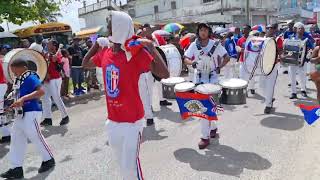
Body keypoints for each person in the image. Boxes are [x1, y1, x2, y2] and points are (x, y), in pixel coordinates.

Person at [82, 11, 169, 179]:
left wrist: (151, 48)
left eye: (109, 27)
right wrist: (95, 46)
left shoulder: (135, 53)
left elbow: (164, 74)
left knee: (130, 167)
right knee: (122, 166)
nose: (107, 30)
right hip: (112, 121)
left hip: (132, 123)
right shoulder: (106, 52)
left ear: (119, 28)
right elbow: (85, 64)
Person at [0, 59, 55, 179]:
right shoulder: (19, 80)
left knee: (35, 136)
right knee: (16, 140)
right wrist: (12, 98)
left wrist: (23, 98)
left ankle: (49, 159)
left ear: (23, 67)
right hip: (20, 114)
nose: (14, 73)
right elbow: (18, 93)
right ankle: (16, 168)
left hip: (31, 111)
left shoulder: (31, 77)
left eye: (15, 70)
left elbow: (41, 91)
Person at [184, 23, 230, 149]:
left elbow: (227, 57)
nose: (203, 32)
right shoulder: (194, 45)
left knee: (208, 107)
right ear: (198, 32)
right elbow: (186, 58)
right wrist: (191, 63)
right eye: (201, 30)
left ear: (209, 32)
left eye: (205, 30)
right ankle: (209, 132)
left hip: (212, 80)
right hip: (198, 79)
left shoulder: (215, 44)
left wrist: (220, 67)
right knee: (204, 108)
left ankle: (208, 133)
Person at [41, 39, 69, 126]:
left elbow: (54, 60)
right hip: (47, 79)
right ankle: (47, 118)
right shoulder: (47, 53)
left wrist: (53, 56)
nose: (46, 45)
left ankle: (65, 116)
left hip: (55, 79)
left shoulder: (58, 53)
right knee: (45, 98)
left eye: (48, 44)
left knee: (56, 97)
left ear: (53, 46)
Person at [286, 22, 314, 99]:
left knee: (302, 76)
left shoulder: (306, 39)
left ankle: (303, 90)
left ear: (304, 30)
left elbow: (311, 48)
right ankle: (293, 93)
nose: (301, 30)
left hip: (303, 61)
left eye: (302, 28)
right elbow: (286, 47)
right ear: (296, 30)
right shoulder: (291, 37)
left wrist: (310, 53)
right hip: (292, 61)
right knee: (292, 77)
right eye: (299, 28)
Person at [260, 24, 283, 114]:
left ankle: (268, 105)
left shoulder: (278, 39)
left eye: (272, 28)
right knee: (261, 85)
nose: (270, 30)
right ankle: (269, 98)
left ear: (275, 30)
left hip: (273, 65)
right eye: (268, 28)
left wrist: (278, 52)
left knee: (270, 85)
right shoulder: (262, 39)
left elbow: (281, 51)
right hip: (262, 65)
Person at [238, 25, 256, 95]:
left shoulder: (253, 39)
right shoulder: (240, 40)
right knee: (242, 76)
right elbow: (238, 51)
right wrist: (237, 60)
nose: (243, 30)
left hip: (251, 61)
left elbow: (256, 50)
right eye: (243, 29)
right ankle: (244, 90)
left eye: (245, 29)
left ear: (249, 30)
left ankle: (252, 87)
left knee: (251, 76)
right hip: (242, 61)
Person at [0, 45, 10, 144]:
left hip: (0, 85)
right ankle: (6, 133)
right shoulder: (3, 59)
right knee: (1, 111)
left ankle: (6, 134)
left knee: (0, 111)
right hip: (3, 85)